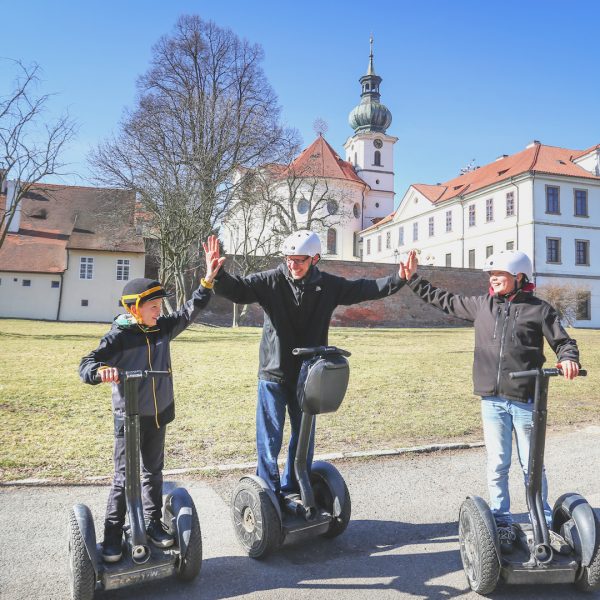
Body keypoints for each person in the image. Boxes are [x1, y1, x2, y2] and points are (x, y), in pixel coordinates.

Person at [203, 231, 410, 500]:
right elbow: (239, 290)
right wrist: (219, 274)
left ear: (315, 259)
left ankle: (294, 487)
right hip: (274, 373)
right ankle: (267, 495)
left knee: (303, 438)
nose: (293, 265)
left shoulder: (329, 285)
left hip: (309, 374)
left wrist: (399, 279)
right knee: (270, 439)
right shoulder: (271, 280)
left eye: (299, 260)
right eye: (289, 259)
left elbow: (364, 289)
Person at [400, 249, 580, 552]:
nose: (493, 279)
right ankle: (502, 520)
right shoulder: (481, 306)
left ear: (519, 277)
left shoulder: (539, 310)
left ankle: (542, 521)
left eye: (500, 274)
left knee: (531, 466)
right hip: (492, 400)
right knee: (498, 463)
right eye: (491, 275)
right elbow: (442, 299)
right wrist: (412, 279)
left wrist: (569, 359)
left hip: (525, 399)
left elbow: (563, 342)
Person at [79, 269, 223, 562]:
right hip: (128, 418)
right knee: (123, 478)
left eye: (160, 306)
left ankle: (152, 522)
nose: (160, 311)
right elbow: (87, 363)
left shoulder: (162, 328)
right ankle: (112, 533)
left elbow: (189, 311)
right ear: (134, 309)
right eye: (154, 307)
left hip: (158, 414)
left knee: (153, 473)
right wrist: (99, 371)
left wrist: (207, 281)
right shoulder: (118, 337)